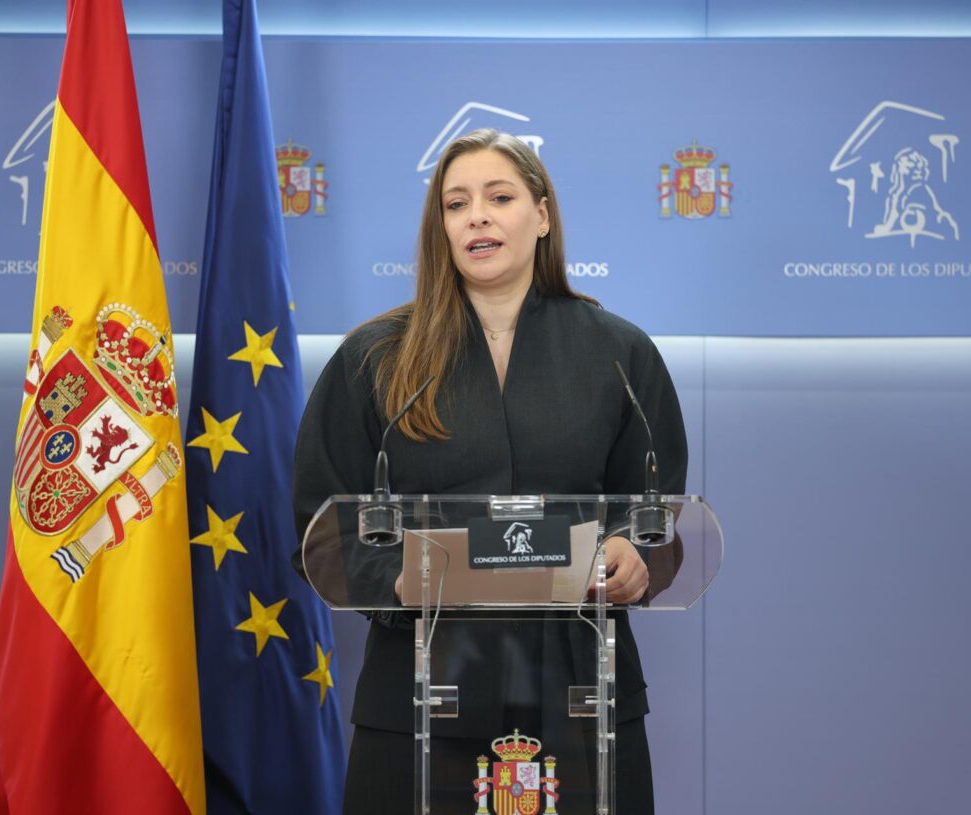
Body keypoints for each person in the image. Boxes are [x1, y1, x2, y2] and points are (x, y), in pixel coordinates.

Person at [294, 129, 687, 814]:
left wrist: (633, 548)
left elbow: (655, 512)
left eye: (498, 197)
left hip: (581, 695)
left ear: (541, 215)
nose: (476, 215)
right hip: (416, 701)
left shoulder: (621, 354)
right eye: (456, 203)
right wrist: (391, 572)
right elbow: (319, 528)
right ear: (441, 228)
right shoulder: (373, 359)